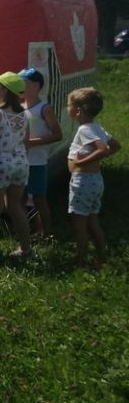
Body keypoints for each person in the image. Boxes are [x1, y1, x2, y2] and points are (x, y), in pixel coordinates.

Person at [0, 72, 32, 259]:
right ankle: (26, 249)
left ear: (4, 90)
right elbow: (26, 141)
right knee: (15, 206)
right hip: (21, 163)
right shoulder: (25, 114)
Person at [66, 87, 120, 269]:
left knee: (79, 224)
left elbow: (102, 149)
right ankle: (101, 258)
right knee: (93, 222)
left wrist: (82, 162)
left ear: (78, 111)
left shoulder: (85, 130)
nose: (67, 108)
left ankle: (80, 262)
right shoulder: (97, 128)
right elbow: (115, 146)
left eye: (69, 105)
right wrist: (94, 159)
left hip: (83, 182)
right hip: (95, 180)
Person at [19, 66, 63, 241]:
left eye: (24, 83)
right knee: (20, 198)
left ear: (36, 85)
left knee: (38, 198)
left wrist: (32, 142)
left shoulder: (44, 108)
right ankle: (24, 230)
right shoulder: (19, 107)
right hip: (20, 161)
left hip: (37, 161)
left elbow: (57, 135)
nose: (20, 86)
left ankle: (45, 232)